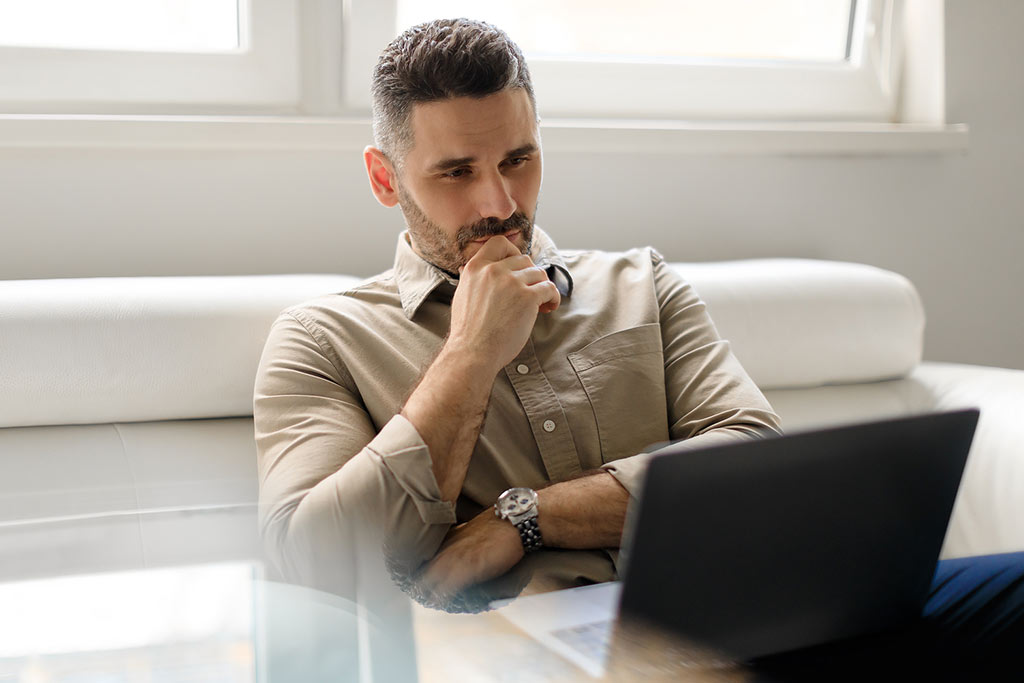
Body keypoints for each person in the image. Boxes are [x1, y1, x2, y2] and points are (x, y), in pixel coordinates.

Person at [254, 17, 1022, 676]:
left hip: (749, 616)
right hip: (534, 655)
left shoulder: (642, 283)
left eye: (518, 159)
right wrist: (469, 354)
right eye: (456, 172)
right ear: (385, 180)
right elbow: (312, 563)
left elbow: (748, 454)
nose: (501, 203)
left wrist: (525, 517)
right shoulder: (322, 337)